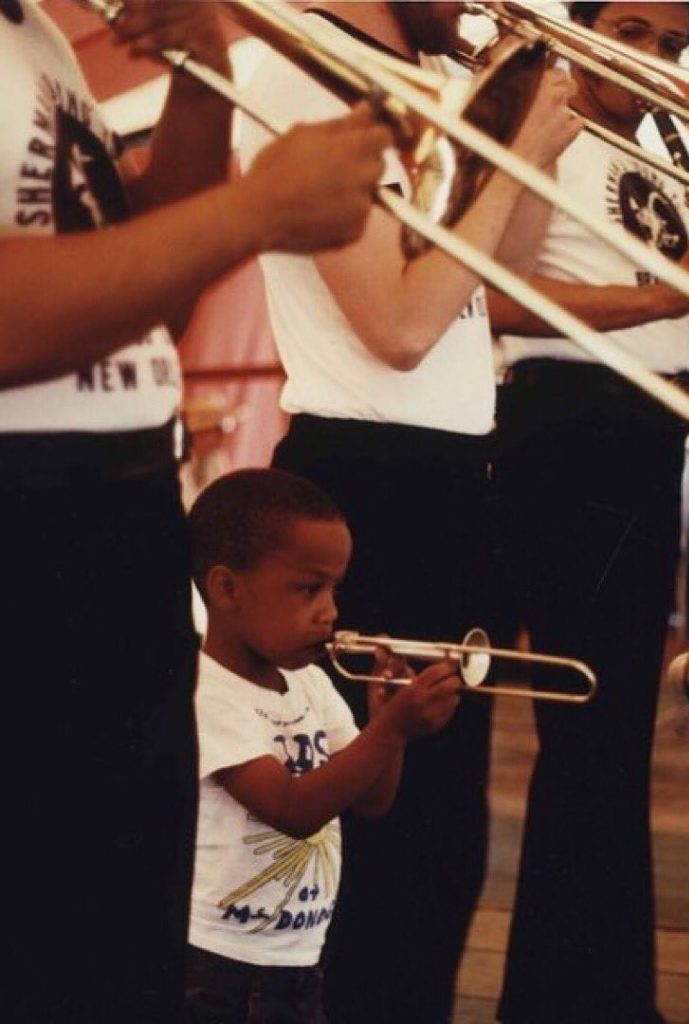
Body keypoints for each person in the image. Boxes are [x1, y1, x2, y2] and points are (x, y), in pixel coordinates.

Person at [1, 2, 390, 1021]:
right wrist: (254, 211)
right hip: (29, 506)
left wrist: (200, 72)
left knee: (120, 909)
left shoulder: (31, 31)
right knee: (43, 918)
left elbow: (137, 288)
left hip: (113, 499)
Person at [235, 4, 581, 1021]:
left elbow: (491, 274)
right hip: (364, 481)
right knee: (380, 844)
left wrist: (536, 132)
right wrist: (516, 151)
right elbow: (399, 322)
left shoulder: (434, 71)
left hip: (445, 479)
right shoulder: (307, 77)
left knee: (441, 845)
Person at [487, 4, 689, 1021]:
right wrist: (668, 294)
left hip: (649, 430)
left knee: (612, 738)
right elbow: (502, 298)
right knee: (590, 729)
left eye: (672, 46)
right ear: (580, 27)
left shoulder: (670, 160)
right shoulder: (540, 125)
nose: (653, 62)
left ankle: (594, 994)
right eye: (632, 33)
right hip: (567, 424)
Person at [185, 468, 461, 1024]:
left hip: (300, 960)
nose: (331, 611)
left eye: (335, 589)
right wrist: (391, 731)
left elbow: (371, 800)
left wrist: (387, 725)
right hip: (218, 971)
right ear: (227, 589)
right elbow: (292, 809)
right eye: (309, 589)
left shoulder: (309, 681)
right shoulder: (206, 693)